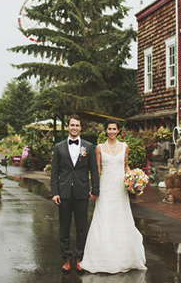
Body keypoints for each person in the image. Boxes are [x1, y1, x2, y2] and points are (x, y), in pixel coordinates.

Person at [80, 118, 147, 274]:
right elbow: (97, 170)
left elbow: (126, 166)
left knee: (121, 218)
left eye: (114, 129)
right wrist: (94, 189)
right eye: (109, 129)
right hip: (106, 188)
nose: (111, 131)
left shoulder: (125, 146)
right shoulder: (99, 148)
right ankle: (103, 257)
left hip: (120, 189)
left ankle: (124, 256)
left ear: (118, 131)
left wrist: (134, 178)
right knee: (104, 218)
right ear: (106, 130)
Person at [51, 114, 100, 272]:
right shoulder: (59, 147)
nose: (74, 128)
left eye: (77, 125)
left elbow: (94, 169)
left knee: (81, 227)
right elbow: (54, 171)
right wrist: (55, 192)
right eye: (72, 125)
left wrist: (95, 190)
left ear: (81, 128)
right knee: (64, 228)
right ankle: (66, 259)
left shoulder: (88, 146)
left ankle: (79, 258)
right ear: (68, 127)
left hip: (82, 192)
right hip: (64, 193)